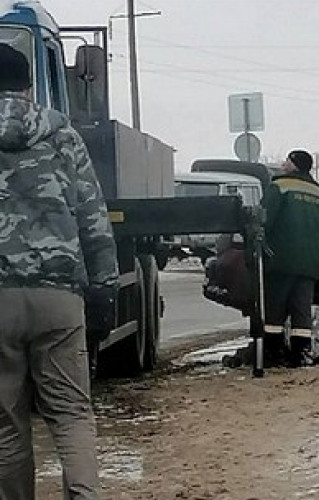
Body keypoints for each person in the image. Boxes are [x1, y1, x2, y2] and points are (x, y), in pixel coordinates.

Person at [0, 43, 118, 499]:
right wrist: (105, 290)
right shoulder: (62, 134)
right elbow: (92, 216)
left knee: (6, 423)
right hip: (59, 295)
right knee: (71, 413)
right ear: (29, 86)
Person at [262, 149, 319, 366]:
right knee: (302, 311)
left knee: (275, 310)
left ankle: (273, 353)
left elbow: (264, 221)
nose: (283, 164)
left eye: (287, 161)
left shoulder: (280, 187)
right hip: (309, 263)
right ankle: (300, 354)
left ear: (294, 164)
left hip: (280, 259)